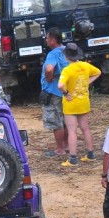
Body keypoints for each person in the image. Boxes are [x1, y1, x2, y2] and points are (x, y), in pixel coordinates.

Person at [58, 42, 101, 168]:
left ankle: (72, 158)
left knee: (72, 131)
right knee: (85, 128)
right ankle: (90, 154)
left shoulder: (67, 70)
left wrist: (65, 93)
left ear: (66, 56)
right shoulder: (85, 66)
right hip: (83, 101)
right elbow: (98, 72)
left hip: (71, 103)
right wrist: (88, 82)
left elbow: (60, 85)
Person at [40, 27, 69, 157]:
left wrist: (48, 77)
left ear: (52, 40)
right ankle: (67, 145)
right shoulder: (67, 51)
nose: (46, 40)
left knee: (56, 121)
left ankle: (60, 148)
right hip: (65, 91)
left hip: (53, 91)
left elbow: (49, 68)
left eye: (47, 38)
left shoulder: (53, 54)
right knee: (65, 120)